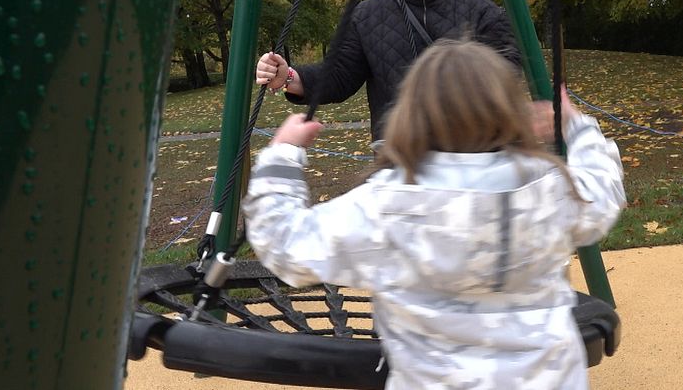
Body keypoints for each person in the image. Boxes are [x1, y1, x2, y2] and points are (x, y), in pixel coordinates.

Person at [242, 39, 626, 389]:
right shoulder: (550, 189)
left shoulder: (385, 205)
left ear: (411, 115)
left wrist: (283, 154)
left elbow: (286, 245)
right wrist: (576, 125)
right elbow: (603, 189)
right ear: (509, 112)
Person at [254, 0, 524, 141]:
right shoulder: (369, 14)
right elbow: (337, 77)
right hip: (400, 158)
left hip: (471, 151)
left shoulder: (477, 7)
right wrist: (288, 76)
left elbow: (508, 66)